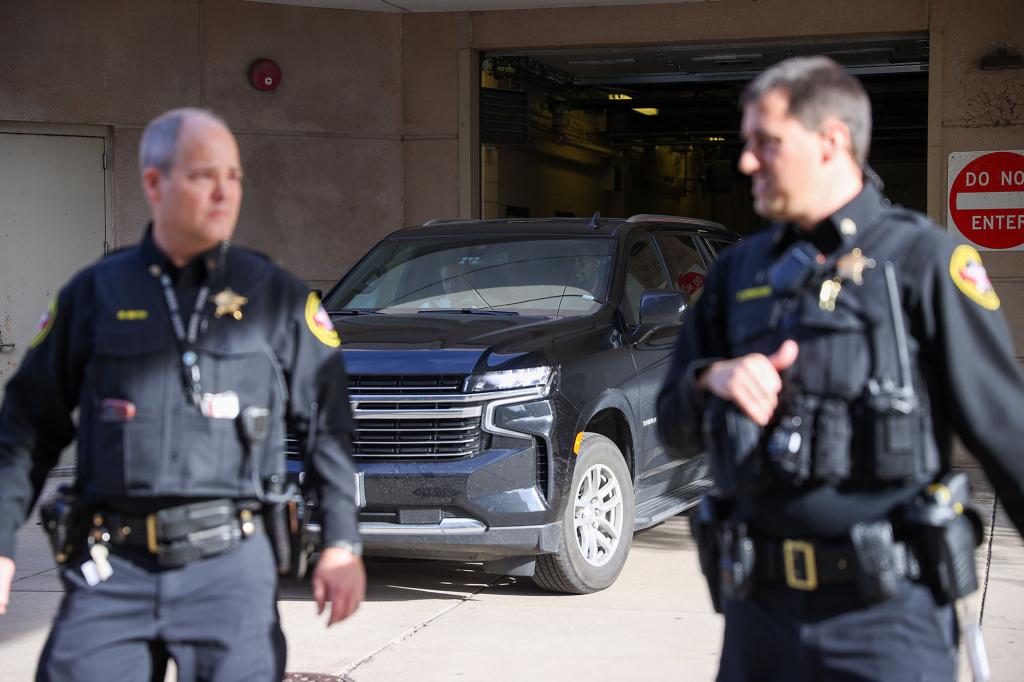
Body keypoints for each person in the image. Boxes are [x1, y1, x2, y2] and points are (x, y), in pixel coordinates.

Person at [657, 56, 1024, 681]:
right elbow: (672, 426)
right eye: (747, 143)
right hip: (758, 617)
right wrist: (710, 379)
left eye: (766, 143)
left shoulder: (924, 261)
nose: (746, 161)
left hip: (886, 619)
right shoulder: (737, 273)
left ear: (832, 142)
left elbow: (1007, 436)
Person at [0, 108, 365, 681]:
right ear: (153, 183)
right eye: (202, 175)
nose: (224, 191)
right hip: (110, 566)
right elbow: (25, 426)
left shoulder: (279, 298)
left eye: (234, 176)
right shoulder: (94, 294)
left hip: (230, 569)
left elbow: (329, 430)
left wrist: (342, 541)